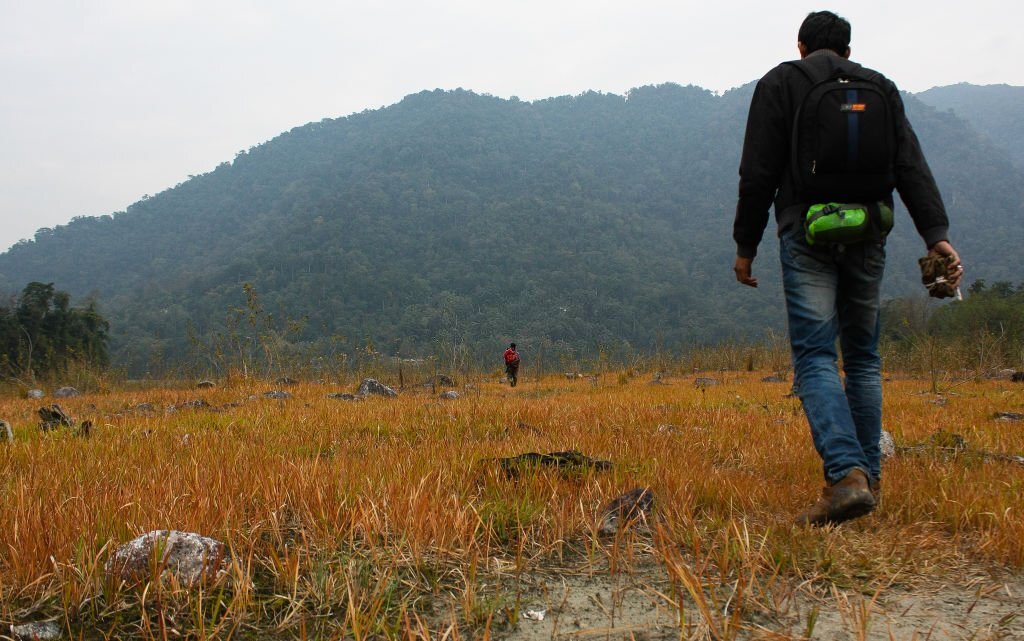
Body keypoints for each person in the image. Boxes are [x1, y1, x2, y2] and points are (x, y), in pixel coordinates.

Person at [732, 10, 963, 526]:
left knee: (815, 355)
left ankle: (846, 476)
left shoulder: (781, 83)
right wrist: (937, 237)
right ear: (849, 49)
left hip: (807, 231)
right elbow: (910, 166)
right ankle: (868, 480)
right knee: (861, 358)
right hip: (869, 232)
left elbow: (758, 171)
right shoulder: (878, 86)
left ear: (800, 45)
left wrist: (745, 245)